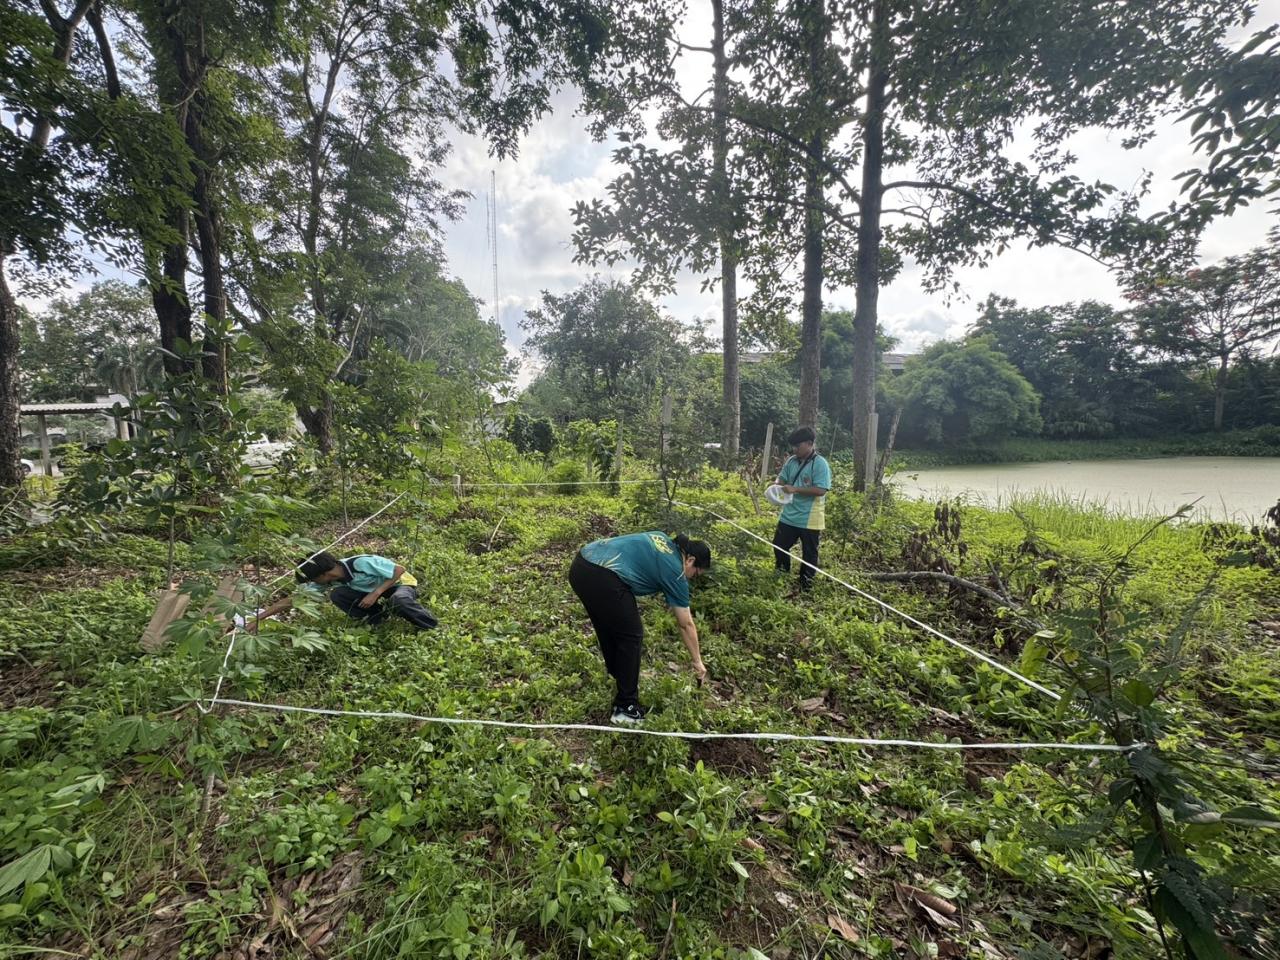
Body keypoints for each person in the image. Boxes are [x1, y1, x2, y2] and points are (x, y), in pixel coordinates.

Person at [569, 531, 711, 725]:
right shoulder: (675, 571)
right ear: (690, 560)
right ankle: (625, 708)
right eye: (695, 574)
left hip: (582, 565)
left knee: (607, 624)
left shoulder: (663, 539)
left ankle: (619, 674)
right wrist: (697, 662)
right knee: (632, 635)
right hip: (603, 576)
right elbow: (686, 624)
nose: (692, 578)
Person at [245, 551, 438, 632]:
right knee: (338, 595)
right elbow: (292, 599)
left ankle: (430, 626)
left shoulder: (361, 563)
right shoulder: (331, 580)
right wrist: (258, 619)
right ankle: (377, 619)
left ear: (324, 574)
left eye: (313, 579)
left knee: (399, 600)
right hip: (375, 592)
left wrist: (375, 593)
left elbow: (399, 570)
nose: (313, 583)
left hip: (399, 584)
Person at [771, 426, 832, 590]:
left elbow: (821, 490)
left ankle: (806, 584)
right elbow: (781, 479)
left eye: (798, 446)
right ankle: (782, 574)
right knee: (779, 545)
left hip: (810, 518)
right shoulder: (791, 461)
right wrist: (776, 485)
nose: (795, 449)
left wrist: (796, 489)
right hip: (789, 515)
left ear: (810, 443)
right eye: (793, 446)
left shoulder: (820, 464)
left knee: (809, 553)